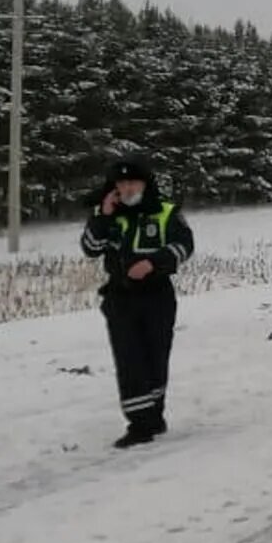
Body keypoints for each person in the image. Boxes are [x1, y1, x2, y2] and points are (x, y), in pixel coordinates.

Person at [80, 158, 195, 449]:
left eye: (132, 183)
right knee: (129, 360)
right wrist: (103, 215)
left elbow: (184, 246)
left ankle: (154, 415)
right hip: (121, 297)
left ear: (145, 184)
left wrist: (153, 264)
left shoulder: (166, 211)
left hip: (156, 296)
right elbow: (90, 248)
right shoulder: (107, 215)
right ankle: (139, 423)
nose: (127, 189)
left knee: (155, 357)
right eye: (121, 184)